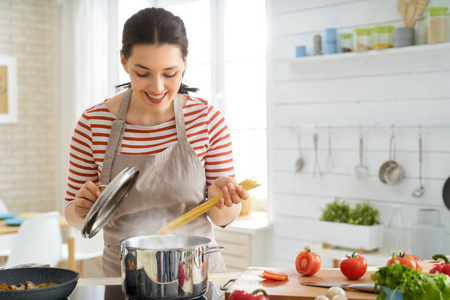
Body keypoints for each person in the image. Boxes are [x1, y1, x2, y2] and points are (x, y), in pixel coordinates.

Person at [63, 7, 248, 277]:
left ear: (185, 63)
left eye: (170, 73)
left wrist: (225, 199)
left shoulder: (207, 119)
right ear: (124, 61)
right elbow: (74, 213)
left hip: (195, 273)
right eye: (143, 73)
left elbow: (223, 219)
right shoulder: (93, 123)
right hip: (125, 277)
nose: (158, 87)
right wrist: (81, 208)